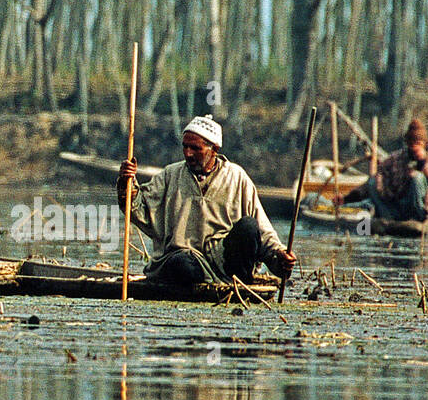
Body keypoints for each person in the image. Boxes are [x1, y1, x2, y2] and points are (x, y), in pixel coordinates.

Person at [117, 115, 297, 287]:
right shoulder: (171, 174)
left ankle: (238, 284)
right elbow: (140, 207)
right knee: (181, 265)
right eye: (185, 147)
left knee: (249, 226)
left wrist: (280, 255)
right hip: (186, 259)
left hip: (224, 262)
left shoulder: (236, 177)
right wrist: (128, 182)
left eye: (195, 148)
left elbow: (262, 228)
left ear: (214, 149)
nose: (188, 153)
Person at [335, 117, 428, 221]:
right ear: (407, 143)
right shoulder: (395, 159)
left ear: (425, 144)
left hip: (422, 209)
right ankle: (388, 219)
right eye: (411, 144)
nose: (415, 147)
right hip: (396, 208)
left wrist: (423, 164)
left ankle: (418, 218)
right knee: (373, 181)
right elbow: (370, 184)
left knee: (417, 178)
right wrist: (346, 199)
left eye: (418, 144)